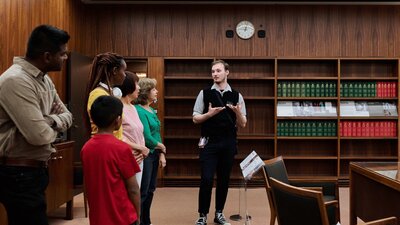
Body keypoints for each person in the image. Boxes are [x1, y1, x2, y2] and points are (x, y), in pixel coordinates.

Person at [0, 24, 73, 225]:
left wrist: (49, 120)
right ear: (47, 56)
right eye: (63, 54)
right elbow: (39, 136)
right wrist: (53, 123)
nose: (65, 58)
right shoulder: (16, 80)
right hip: (17, 173)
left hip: (35, 171)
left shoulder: (45, 80)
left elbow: (67, 116)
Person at [193, 59, 247, 225]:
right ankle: (202, 215)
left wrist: (237, 113)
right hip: (209, 143)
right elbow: (195, 118)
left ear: (227, 72)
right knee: (207, 179)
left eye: (218, 71)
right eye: (213, 71)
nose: (215, 74)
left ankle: (219, 213)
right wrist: (209, 114)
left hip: (229, 144)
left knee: (224, 179)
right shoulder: (205, 93)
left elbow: (243, 123)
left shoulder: (237, 95)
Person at [81, 95, 141, 225]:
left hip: (98, 217)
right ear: (118, 120)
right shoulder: (122, 149)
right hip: (123, 217)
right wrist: (138, 215)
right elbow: (133, 188)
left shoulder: (86, 148)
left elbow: (86, 184)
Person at [135, 78, 167, 225]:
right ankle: (138, 221)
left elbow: (156, 133)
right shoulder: (139, 110)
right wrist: (161, 146)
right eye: (153, 89)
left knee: (151, 190)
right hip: (146, 155)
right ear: (146, 92)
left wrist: (161, 153)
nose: (156, 91)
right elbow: (147, 138)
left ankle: (146, 221)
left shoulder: (151, 109)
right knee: (143, 191)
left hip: (154, 154)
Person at [84, 52, 126, 139]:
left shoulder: (108, 93)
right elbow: (103, 129)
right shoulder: (98, 94)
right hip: (105, 147)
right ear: (114, 71)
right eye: (124, 70)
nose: (125, 75)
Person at [119, 71, 150, 187]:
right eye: (137, 84)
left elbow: (139, 132)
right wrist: (140, 148)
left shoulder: (132, 107)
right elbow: (117, 135)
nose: (139, 88)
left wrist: (142, 151)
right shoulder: (118, 106)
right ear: (128, 86)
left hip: (138, 158)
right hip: (126, 159)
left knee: (136, 194)